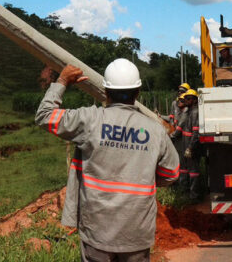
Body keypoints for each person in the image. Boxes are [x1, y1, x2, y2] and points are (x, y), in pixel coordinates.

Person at [36, 59, 179, 261]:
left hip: (97, 231)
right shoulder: (155, 130)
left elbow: (44, 116)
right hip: (136, 232)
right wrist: (143, 176)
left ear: (105, 92)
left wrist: (62, 81)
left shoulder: (89, 120)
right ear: (138, 92)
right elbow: (171, 173)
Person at [170, 89, 201, 201]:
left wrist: (190, 148)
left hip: (190, 146)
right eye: (185, 98)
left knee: (193, 171)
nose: (185, 100)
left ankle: (194, 196)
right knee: (184, 169)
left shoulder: (195, 112)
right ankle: (184, 192)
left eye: (188, 98)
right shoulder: (188, 111)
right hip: (185, 143)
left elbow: (196, 133)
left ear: (194, 100)